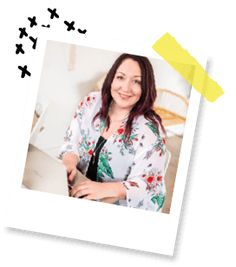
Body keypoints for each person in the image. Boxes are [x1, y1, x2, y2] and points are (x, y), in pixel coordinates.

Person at [59, 53, 167, 211]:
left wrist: (106, 189)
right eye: (121, 77)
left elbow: (150, 186)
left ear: (146, 87)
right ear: (112, 78)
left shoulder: (150, 131)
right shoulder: (90, 103)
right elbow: (71, 141)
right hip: (72, 192)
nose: (126, 88)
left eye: (136, 81)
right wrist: (69, 160)